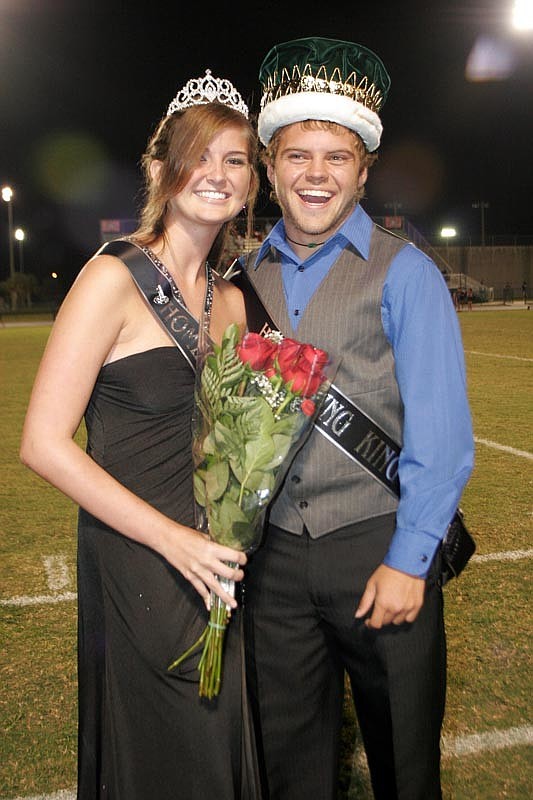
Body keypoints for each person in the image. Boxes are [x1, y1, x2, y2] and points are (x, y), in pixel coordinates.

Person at [240, 38, 475, 800]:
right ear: (269, 168)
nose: (316, 174)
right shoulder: (237, 281)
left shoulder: (406, 271)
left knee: (404, 767)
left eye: (336, 157)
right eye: (297, 156)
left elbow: (441, 438)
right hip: (272, 563)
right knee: (287, 768)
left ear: (363, 169)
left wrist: (410, 560)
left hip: (377, 545)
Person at [20, 70, 260, 800]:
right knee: (161, 751)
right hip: (138, 556)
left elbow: (232, 445)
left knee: (214, 742)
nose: (216, 175)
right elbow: (43, 443)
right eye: (198, 155)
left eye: (235, 159)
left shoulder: (232, 303)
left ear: (252, 180)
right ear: (159, 169)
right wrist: (173, 540)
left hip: (212, 559)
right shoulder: (112, 278)